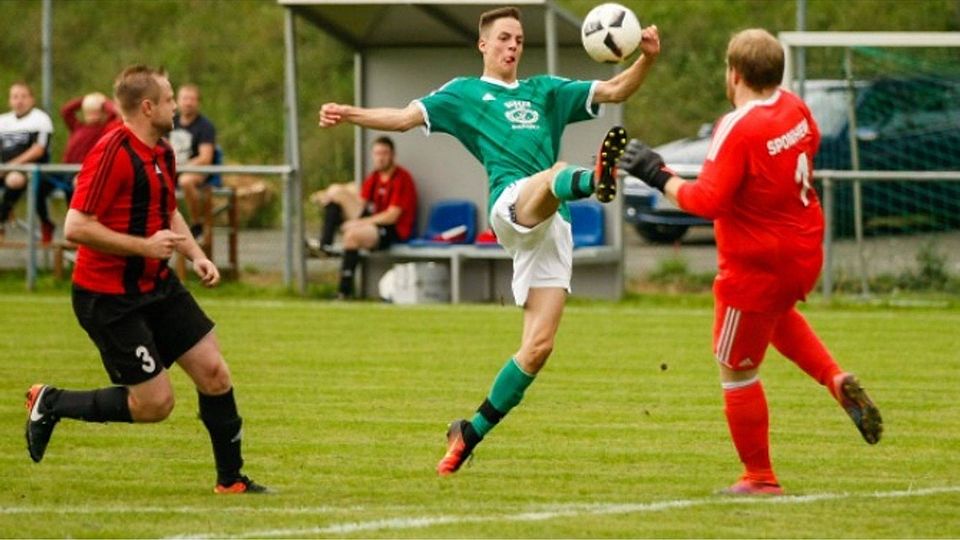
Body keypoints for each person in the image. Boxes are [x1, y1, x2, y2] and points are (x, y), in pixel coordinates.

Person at [319, 6, 660, 475]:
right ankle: (592, 178)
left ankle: (469, 431)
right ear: (483, 44)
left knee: (538, 348)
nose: (512, 46)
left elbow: (617, 87)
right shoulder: (463, 93)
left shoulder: (547, 91)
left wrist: (646, 58)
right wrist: (347, 112)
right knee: (556, 174)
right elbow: (401, 119)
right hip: (509, 204)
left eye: (518, 39)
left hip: (550, 227)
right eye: (503, 38)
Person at [619, 28, 883, 495]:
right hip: (803, 251)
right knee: (778, 318)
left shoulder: (738, 126)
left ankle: (759, 477)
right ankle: (835, 378)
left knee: (737, 369)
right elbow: (807, 146)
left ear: (733, 73)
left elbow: (708, 200)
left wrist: (656, 174)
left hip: (756, 264)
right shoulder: (795, 108)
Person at [24, 65, 266, 494]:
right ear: (148, 106)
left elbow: (167, 209)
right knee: (155, 405)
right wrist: (144, 247)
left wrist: (196, 254)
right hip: (108, 297)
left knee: (214, 371)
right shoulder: (111, 152)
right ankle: (52, 401)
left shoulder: (162, 149)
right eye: (170, 100)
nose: (176, 106)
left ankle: (231, 481)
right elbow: (75, 227)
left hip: (157, 285)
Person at [310, 135, 418, 298]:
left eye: (384, 153)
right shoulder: (374, 177)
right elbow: (360, 202)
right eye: (377, 154)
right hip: (373, 223)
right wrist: (331, 197)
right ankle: (325, 246)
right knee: (335, 193)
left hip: (392, 230)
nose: (380, 158)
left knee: (352, 236)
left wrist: (358, 223)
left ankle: (343, 292)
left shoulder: (402, 178)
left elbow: (392, 217)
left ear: (392, 155)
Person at [0, 82, 54, 242]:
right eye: (15, 97)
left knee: (15, 178)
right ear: (10, 100)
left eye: (24, 96)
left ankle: (1, 220)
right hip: (4, 169)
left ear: (32, 99)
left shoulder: (40, 119)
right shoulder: (3, 120)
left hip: (33, 171)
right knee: (12, 177)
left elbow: (38, 150)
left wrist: (10, 166)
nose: (19, 101)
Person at [169, 83, 217, 238]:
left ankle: (197, 223)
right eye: (184, 98)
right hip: (171, 168)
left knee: (185, 181)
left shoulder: (205, 126)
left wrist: (181, 166)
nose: (188, 102)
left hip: (197, 171)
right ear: (177, 101)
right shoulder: (169, 122)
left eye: (192, 99)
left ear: (198, 102)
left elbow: (205, 158)